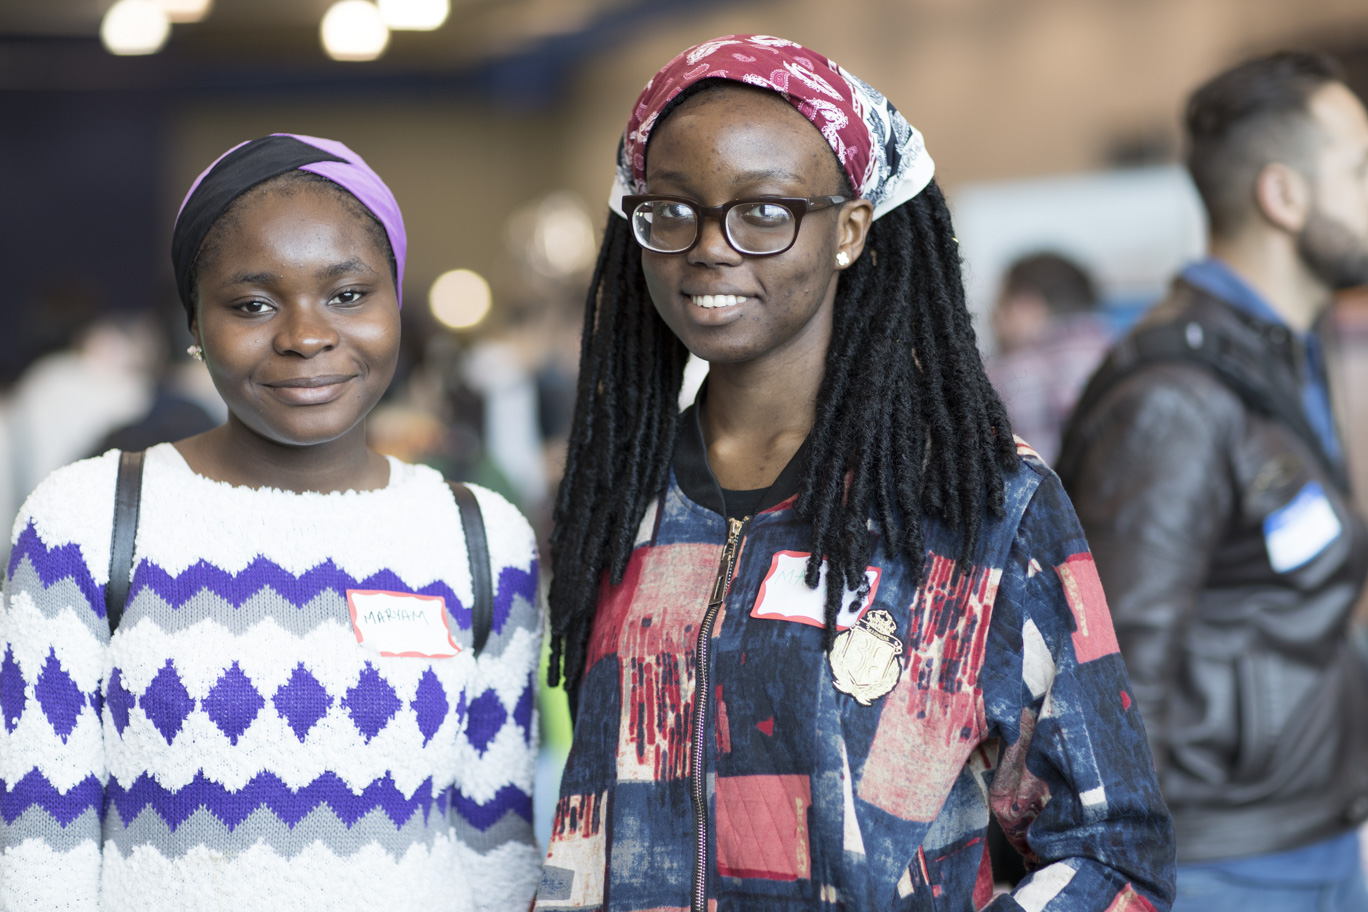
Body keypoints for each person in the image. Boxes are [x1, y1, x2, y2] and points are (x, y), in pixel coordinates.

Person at [537, 35, 1174, 912]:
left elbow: (1114, 853)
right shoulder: (618, 501)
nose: (710, 247)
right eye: (673, 210)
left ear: (849, 230)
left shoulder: (976, 505)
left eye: (764, 211)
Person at [0, 134, 542, 910]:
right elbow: (36, 857)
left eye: (348, 295)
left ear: (396, 303)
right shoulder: (85, 523)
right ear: (195, 323)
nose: (306, 336)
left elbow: (495, 855)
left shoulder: (479, 537)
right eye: (252, 305)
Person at [1056, 52, 1368, 912]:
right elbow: (1122, 683)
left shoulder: (1279, 350)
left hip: (1309, 833)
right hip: (1224, 866)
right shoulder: (1174, 396)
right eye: (1359, 171)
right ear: (1284, 196)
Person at [986, 252, 1111, 465]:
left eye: (1000, 304)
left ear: (1024, 306)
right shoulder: (1117, 358)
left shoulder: (1008, 377)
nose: (994, 317)